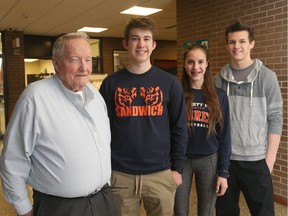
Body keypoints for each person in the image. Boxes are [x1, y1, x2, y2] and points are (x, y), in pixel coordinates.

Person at [0, 32, 116, 216]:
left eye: (88, 60)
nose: (84, 68)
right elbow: (13, 159)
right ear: (56, 63)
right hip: (60, 208)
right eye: (74, 60)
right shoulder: (35, 98)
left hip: (103, 201)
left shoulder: (96, 97)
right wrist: (23, 208)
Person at [99, 17, 188, 216]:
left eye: (147, 39)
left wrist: (177, 169)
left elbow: (179, 128)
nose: (141, 44)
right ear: (126, 43)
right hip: (120, 175)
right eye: (135, 39)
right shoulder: (111, 84)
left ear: (154, 44)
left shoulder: (170, 83)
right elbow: (101, 130)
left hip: (160, 174)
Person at [215, 20, 283, 216]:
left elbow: (276, 118)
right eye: (232, 42)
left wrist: (268, 162)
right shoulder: (217, 80)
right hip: (226, 162)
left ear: (252, 43)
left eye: (242, 41)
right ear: (227, 45)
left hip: (257, 161)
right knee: (225, 213)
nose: (237, 46)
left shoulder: (267, 77)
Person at [174, 44, 231, 216]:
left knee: (206, 211)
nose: (195, 67)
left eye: (200, 62)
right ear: (184, 64)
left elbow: (225, 136)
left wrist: (223, 173)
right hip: (181, 161)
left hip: (209, 161)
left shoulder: (219, 96)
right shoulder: (176, 93)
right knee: (179, 211)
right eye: (190, 62)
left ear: (207, 64)